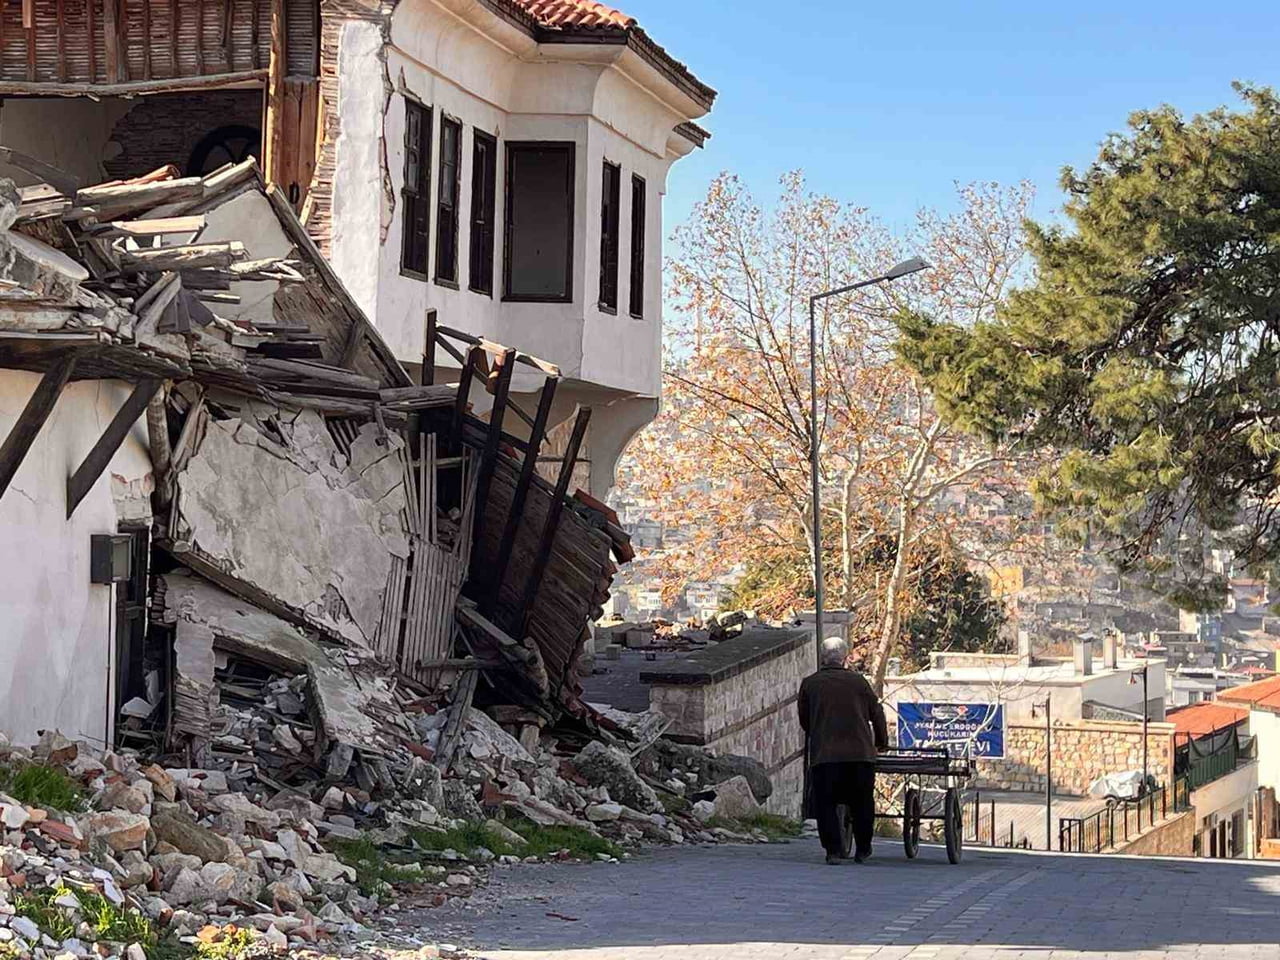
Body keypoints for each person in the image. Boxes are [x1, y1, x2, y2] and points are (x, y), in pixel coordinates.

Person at [798, 637, 889, 864]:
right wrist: (881, 742)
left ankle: (833, 851)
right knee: (862, 802)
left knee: (825, 803)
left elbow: (805, 720)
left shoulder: (810, 684)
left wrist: (818, 733)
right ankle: (863, 848)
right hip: (860, 754)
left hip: (825, 755)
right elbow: (876, 713)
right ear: (845, 658)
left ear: (822, 658)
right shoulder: (859, 682)